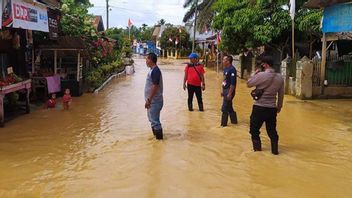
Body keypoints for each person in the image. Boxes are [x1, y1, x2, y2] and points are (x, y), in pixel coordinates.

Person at [247, 56, 284, 155]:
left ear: (265, 65)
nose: (262, 66)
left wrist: (253, 74)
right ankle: (275, 152)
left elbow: (249, 84)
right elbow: (281, 95)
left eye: (262, 64)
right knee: (272, 131)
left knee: (254, 130)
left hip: (259, 107)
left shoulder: (261, 75)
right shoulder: (280, 78)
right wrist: (279, 107)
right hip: (272, 109)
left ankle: (257, 153)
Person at [145, 53, 164, 140]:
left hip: (154, 101)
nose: (146, 61)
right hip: (153, 101)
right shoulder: (152, 70)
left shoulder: (155, 71)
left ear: (151, 60)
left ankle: (159, 142)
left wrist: (149, 100)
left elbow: (155, 86)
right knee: (152, 120)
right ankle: (156, 141)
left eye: (147, 59)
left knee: (155, 121)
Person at [221, 55, 238, 126]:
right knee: (229, 107)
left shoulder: (232, 69)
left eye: (224, 60)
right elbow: (224, 80)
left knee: (224, 107)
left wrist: (230, 93)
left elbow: (233, 83)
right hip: (225, 90)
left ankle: (223, 125)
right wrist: (222, 90)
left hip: (229, 90)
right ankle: (234, 121)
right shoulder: (225, 69)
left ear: (228, 61)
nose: (222, 61)